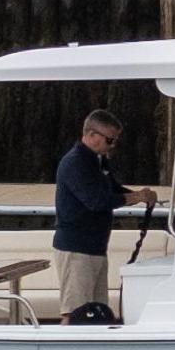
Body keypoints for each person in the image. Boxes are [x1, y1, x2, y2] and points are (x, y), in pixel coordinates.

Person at [53, 110, 129, 323]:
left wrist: (139, 196)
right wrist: (133, 198)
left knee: (97, 312)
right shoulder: (75, 162)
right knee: (75, 313)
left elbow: (113, 189)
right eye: (109, 140)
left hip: (96, 247)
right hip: (76, 249)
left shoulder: (98, 160)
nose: (112, 145)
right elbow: (96, 201)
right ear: (92, 135)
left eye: (115, 141)